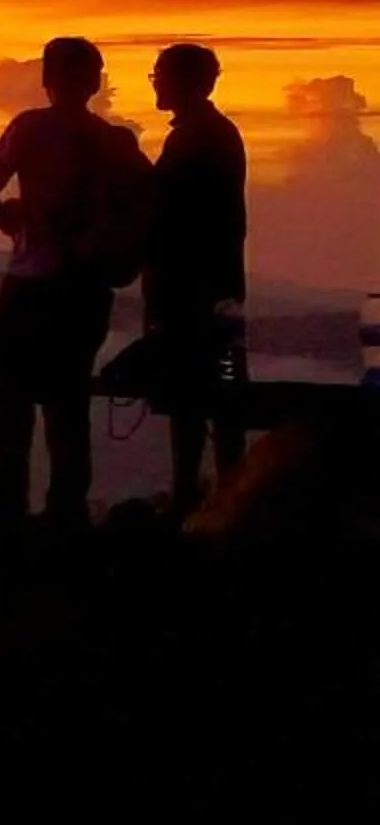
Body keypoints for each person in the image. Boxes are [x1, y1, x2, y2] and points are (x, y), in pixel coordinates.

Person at [0, 37, 148, 533]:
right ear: (95, 82)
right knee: (66, 403)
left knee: (0, 394)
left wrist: (13, 222)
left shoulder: (30, 127)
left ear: (47, 79)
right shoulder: (112, 141)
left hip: (30, 283)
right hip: (87, 291)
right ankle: (66, 513)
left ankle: (4, 508)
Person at [142, 44, 248, 516]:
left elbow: (167, 210)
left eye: (159, 75)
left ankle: (207, 506)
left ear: (185, 81)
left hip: (193, 297)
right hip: (216, 294)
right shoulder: (211, 134)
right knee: (218, 399)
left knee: (198, 404)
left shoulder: (198, 138)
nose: (156, 83)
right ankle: (224, 502)